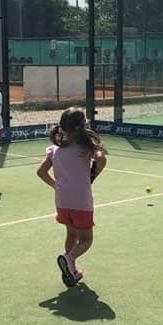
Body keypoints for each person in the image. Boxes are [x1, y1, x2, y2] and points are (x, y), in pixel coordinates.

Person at [37, 107, 106, 287]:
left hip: (62, 200)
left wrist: (56, 186)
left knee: (71, 234)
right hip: (81, 201)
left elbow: (41, 172)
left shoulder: (54, 149)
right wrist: (92, 175)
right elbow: (101, 159)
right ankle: (69, 258)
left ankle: (71, 271)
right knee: (86, 239)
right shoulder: (85, 148)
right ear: (82, 125)